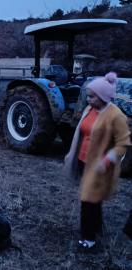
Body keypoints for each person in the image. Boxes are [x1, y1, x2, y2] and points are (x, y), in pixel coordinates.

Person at [64, 72, 131, 249]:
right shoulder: (89, 110)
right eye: (88, 96)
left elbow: (123, 144)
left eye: (92, 97)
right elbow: (81, 133)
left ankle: (89, 240)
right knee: (93, 199)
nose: (88, 100)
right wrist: (72, 153)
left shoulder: (116, 116)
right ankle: (97, 228)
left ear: (103, 97)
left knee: (88, 200)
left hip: (100, 166)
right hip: (84, 160)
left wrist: (107, 160)